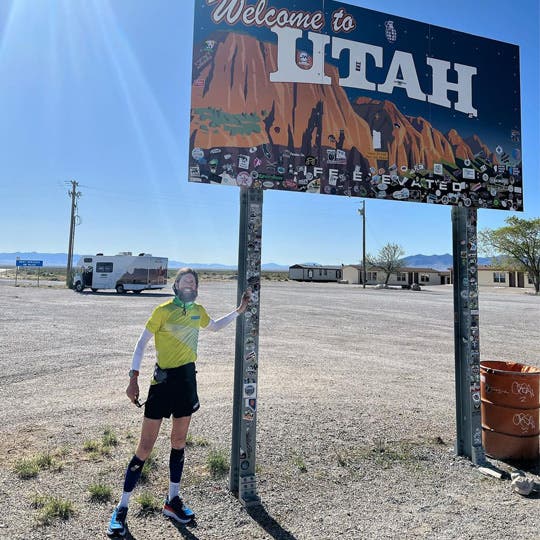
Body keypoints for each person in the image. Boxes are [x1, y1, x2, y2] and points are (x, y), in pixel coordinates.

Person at [107, 268, 251, 538]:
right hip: (162, 383)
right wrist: (133, 378)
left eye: (193, 281)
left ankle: (172, 501)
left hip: (187, 381)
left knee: (178, 442)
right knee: (145, 447)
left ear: (196, 287)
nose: (189, 284)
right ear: (176, 285)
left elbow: (215, 326)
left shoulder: (198, 311)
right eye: (185, 280)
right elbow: (141, 344)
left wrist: (239, 310)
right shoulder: (162, 310)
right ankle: (121, 508)